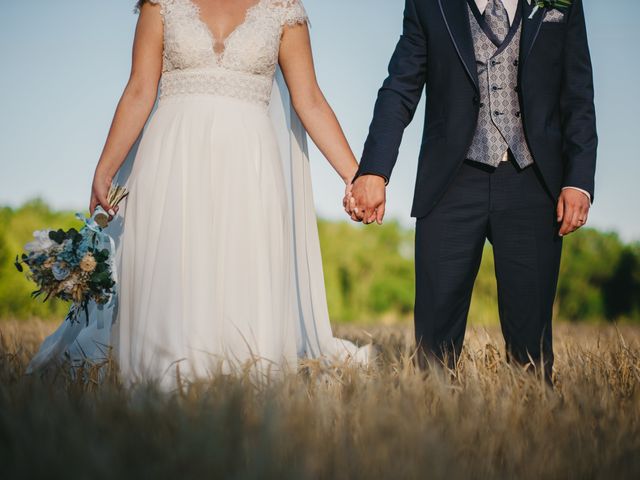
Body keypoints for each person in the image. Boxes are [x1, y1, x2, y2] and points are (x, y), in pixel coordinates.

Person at [29, 0, 370, 387]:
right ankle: (162, 374)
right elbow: (140, 89)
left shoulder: (283, 8)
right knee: (174, 260)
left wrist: (356, 177)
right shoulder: (161, 4)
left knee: (241, 262)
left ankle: (244, 377)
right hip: (172, 157)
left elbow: (309, 99)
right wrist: (104, 168)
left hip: (250, 165)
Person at [347, 0, 597, 382]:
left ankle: (531, 433)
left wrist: (578, 179)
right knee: (433, 348)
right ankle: (434, 431)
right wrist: (374, 171)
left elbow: (578, 95)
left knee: (532, 352)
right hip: (449, 183)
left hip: (533, 182)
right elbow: (400, 86)